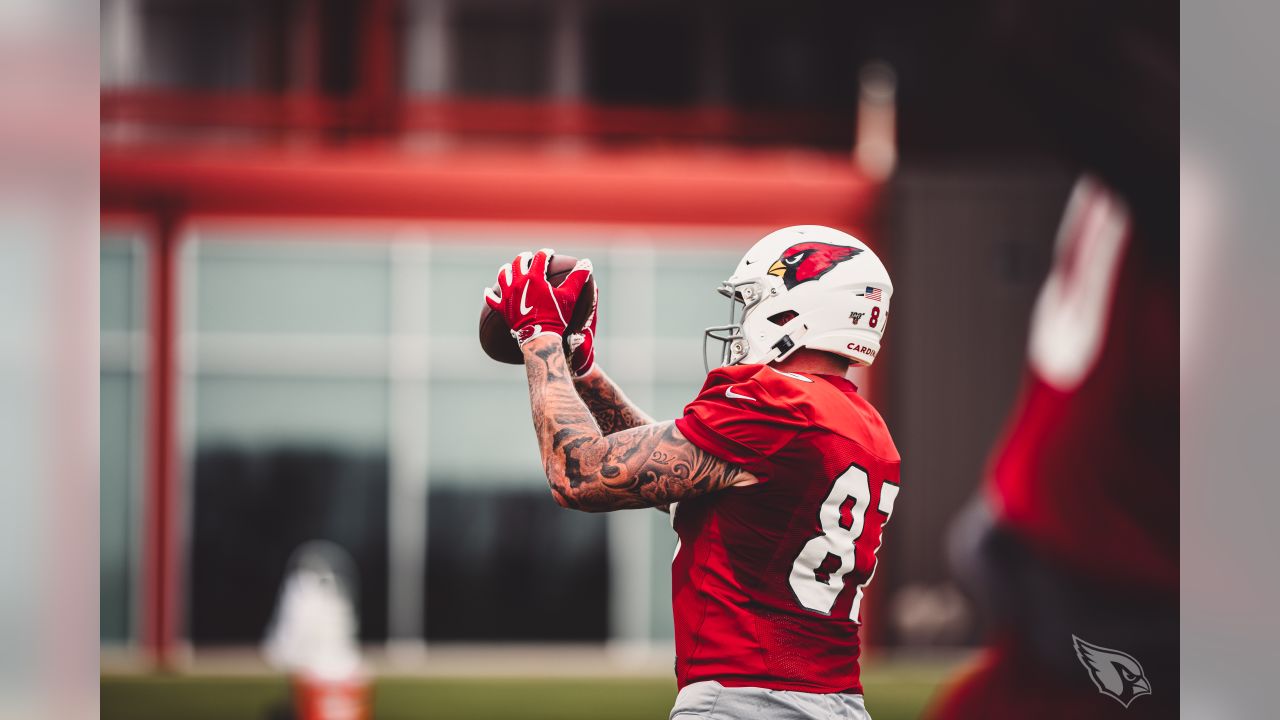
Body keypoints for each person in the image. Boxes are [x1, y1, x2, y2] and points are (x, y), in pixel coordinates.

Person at [484, 225, 900, 720]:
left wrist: (541, 336)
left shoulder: (776, 401)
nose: (742, 322)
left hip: (748, 699)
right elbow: (678, 475)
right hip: (837, 704)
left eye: (750, 304)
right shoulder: (863, 425)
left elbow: (579, 473)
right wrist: (583, 373)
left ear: (794, 309)